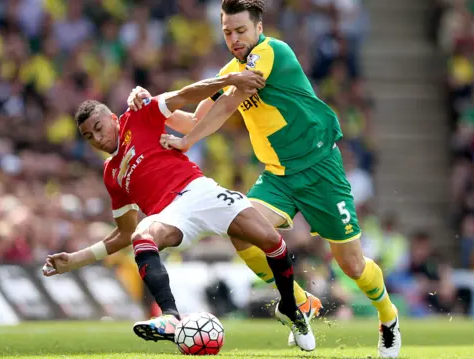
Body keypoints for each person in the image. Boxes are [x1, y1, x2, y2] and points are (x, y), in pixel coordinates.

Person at [128, 0, 401, 356]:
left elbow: (226, 107)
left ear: (258, 28)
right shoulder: (230, 70)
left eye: (241, 30)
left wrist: (186, 142)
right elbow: (196, 118)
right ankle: (300, 302)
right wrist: (151, 106)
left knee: (352, 265)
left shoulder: (271, 51)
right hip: (279, 177)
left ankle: (388, 316)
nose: (235, 38)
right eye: (227, 32)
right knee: (241, 232)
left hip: (321, 170)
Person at [41, 70, 315, 351]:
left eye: (99, 128)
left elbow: (185, 95)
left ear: (113, 118)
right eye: (89, 136)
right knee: (141, 236)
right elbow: (123, 234)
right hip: (170, 215)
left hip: (199, 190)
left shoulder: (139, 114)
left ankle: (292, 310)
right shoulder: (111, 174)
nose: (97, 138)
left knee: (272, 241)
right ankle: (170, 318)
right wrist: (75, 260)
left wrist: (229, 80)